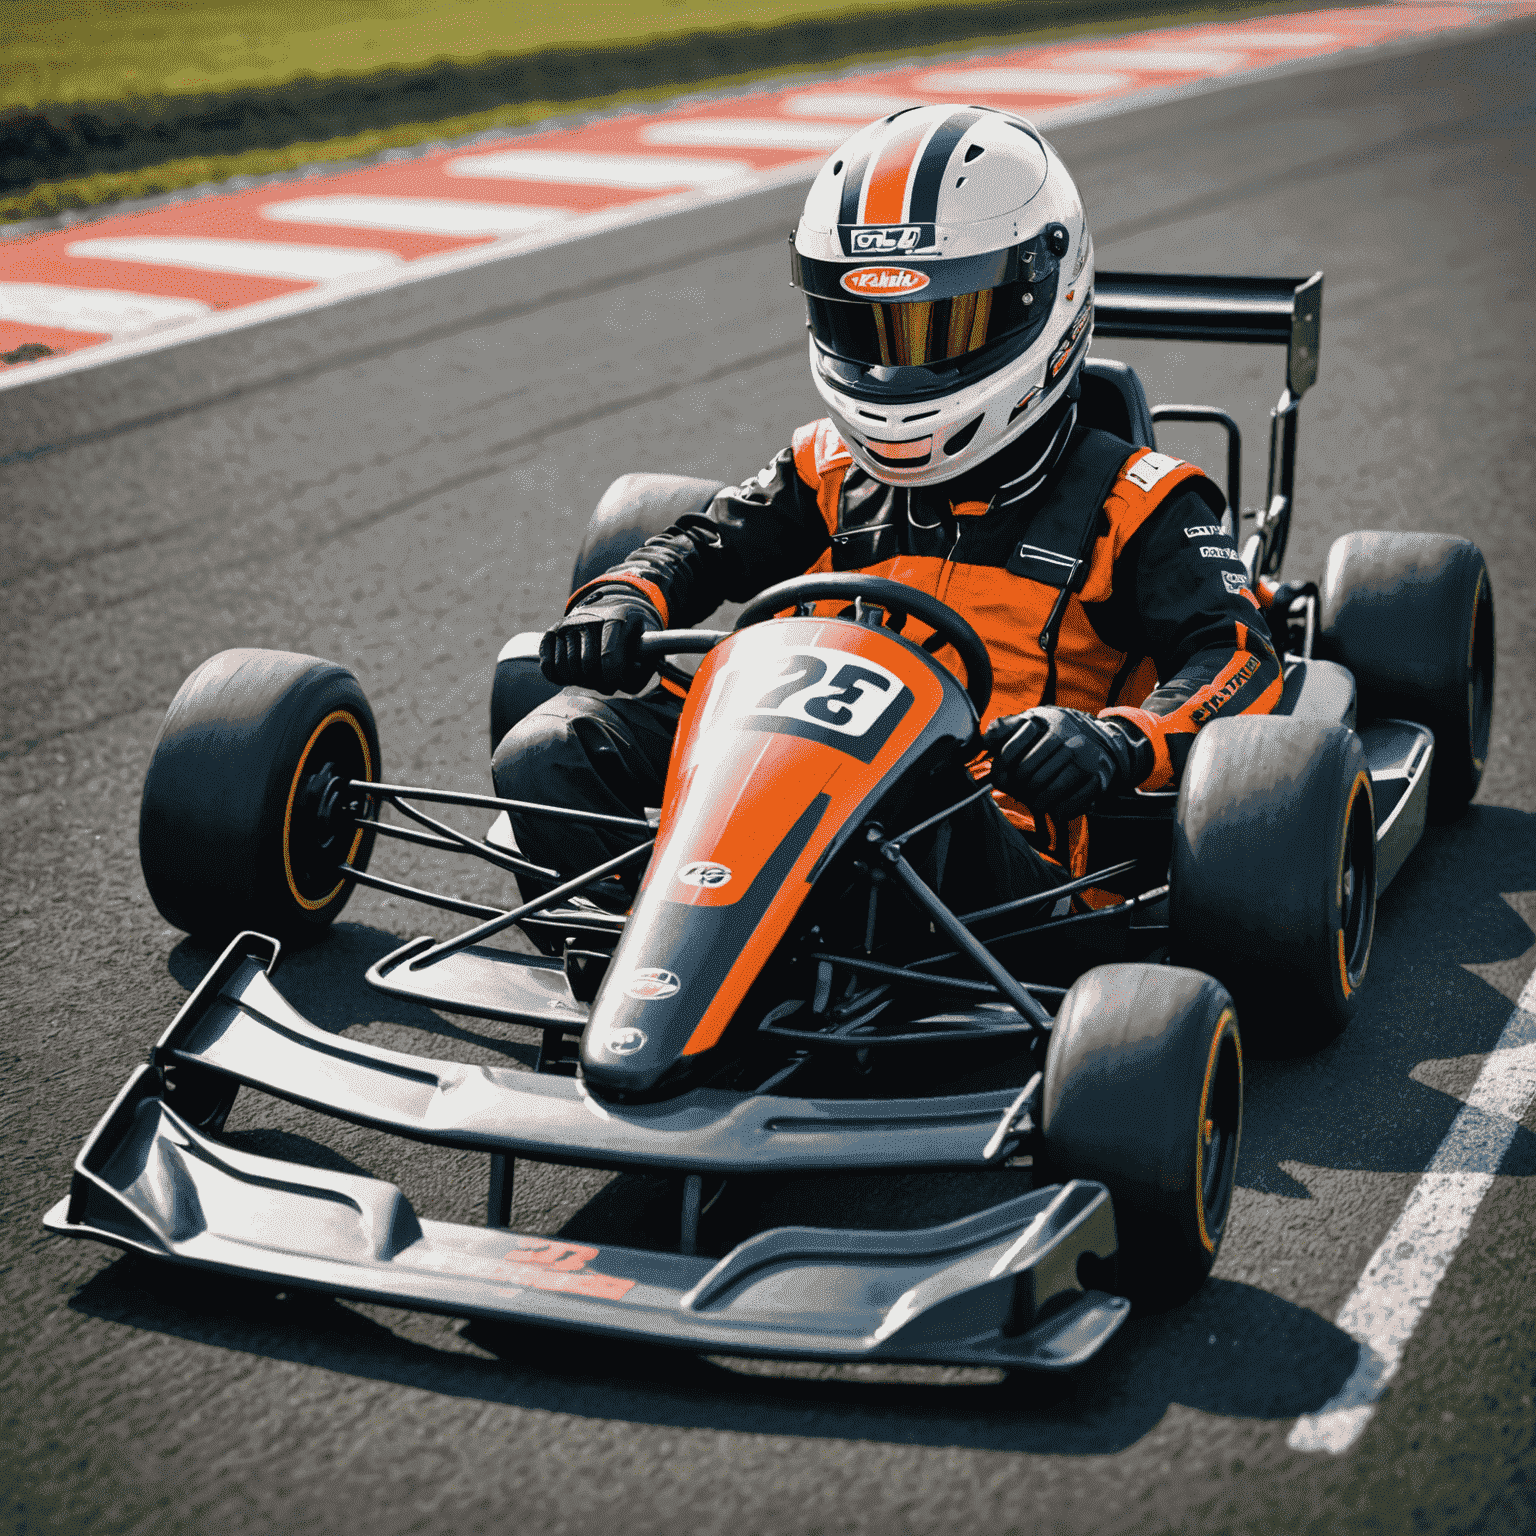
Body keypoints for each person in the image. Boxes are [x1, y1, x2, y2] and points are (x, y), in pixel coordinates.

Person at [495, 104, 1282, 911]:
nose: (893, 372)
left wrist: (1117, 739)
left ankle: (742, 954)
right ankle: (661, 944)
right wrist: (625, 598)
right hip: (781, 769)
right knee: (545, 750)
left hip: (983, 827)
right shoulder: (825, 464)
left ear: (1042, 294)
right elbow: (703, 546)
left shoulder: (1140, 501)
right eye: (867, 328)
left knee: (897, 824)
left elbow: (1242, 657)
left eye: (940, 324)